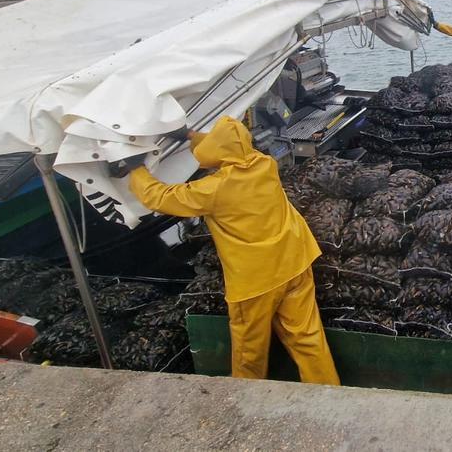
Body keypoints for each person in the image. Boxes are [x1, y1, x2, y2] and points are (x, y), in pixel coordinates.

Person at [128, 116, 340, 385]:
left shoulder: (214, 188)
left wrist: (135, 170)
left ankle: (245, 395)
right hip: (296, 261)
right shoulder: (264, 164)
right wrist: (191, 135)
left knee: (248, 349)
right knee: (308, 337)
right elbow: (232, 147)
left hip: (257, 280)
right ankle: (328, 389)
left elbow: (160, 197)